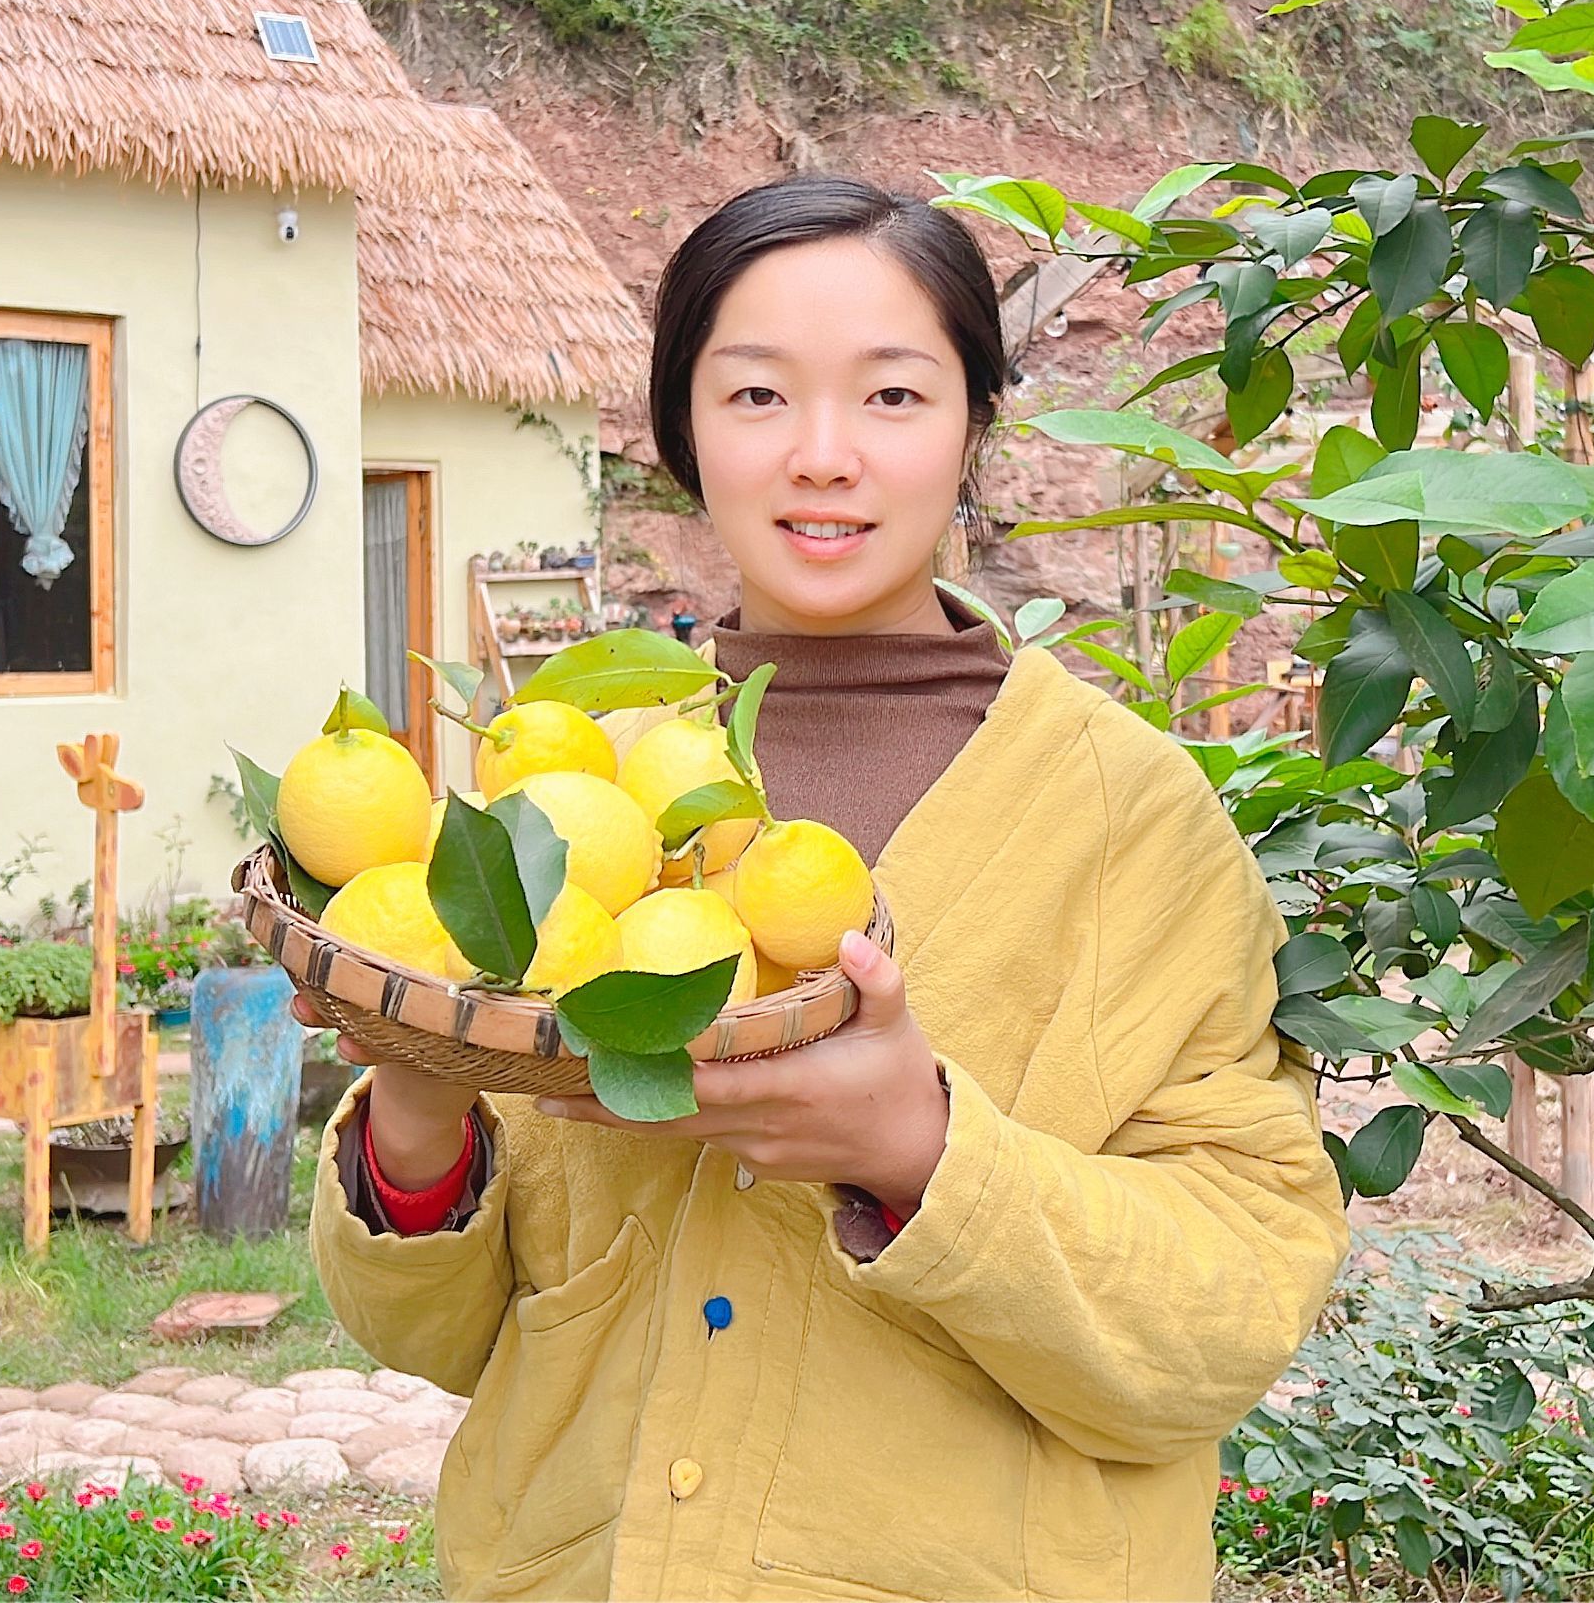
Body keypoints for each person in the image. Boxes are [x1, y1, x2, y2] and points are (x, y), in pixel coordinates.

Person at [308, 176, 1348, 1599]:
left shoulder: (1132, 823)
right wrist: (420, 1107)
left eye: (893, 398)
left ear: (976, 424)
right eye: (754, 398)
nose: (822, 456)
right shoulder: (569, 792)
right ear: (681, 430)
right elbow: (450, 1335)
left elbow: (1225, 1322)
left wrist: (923, 1157)